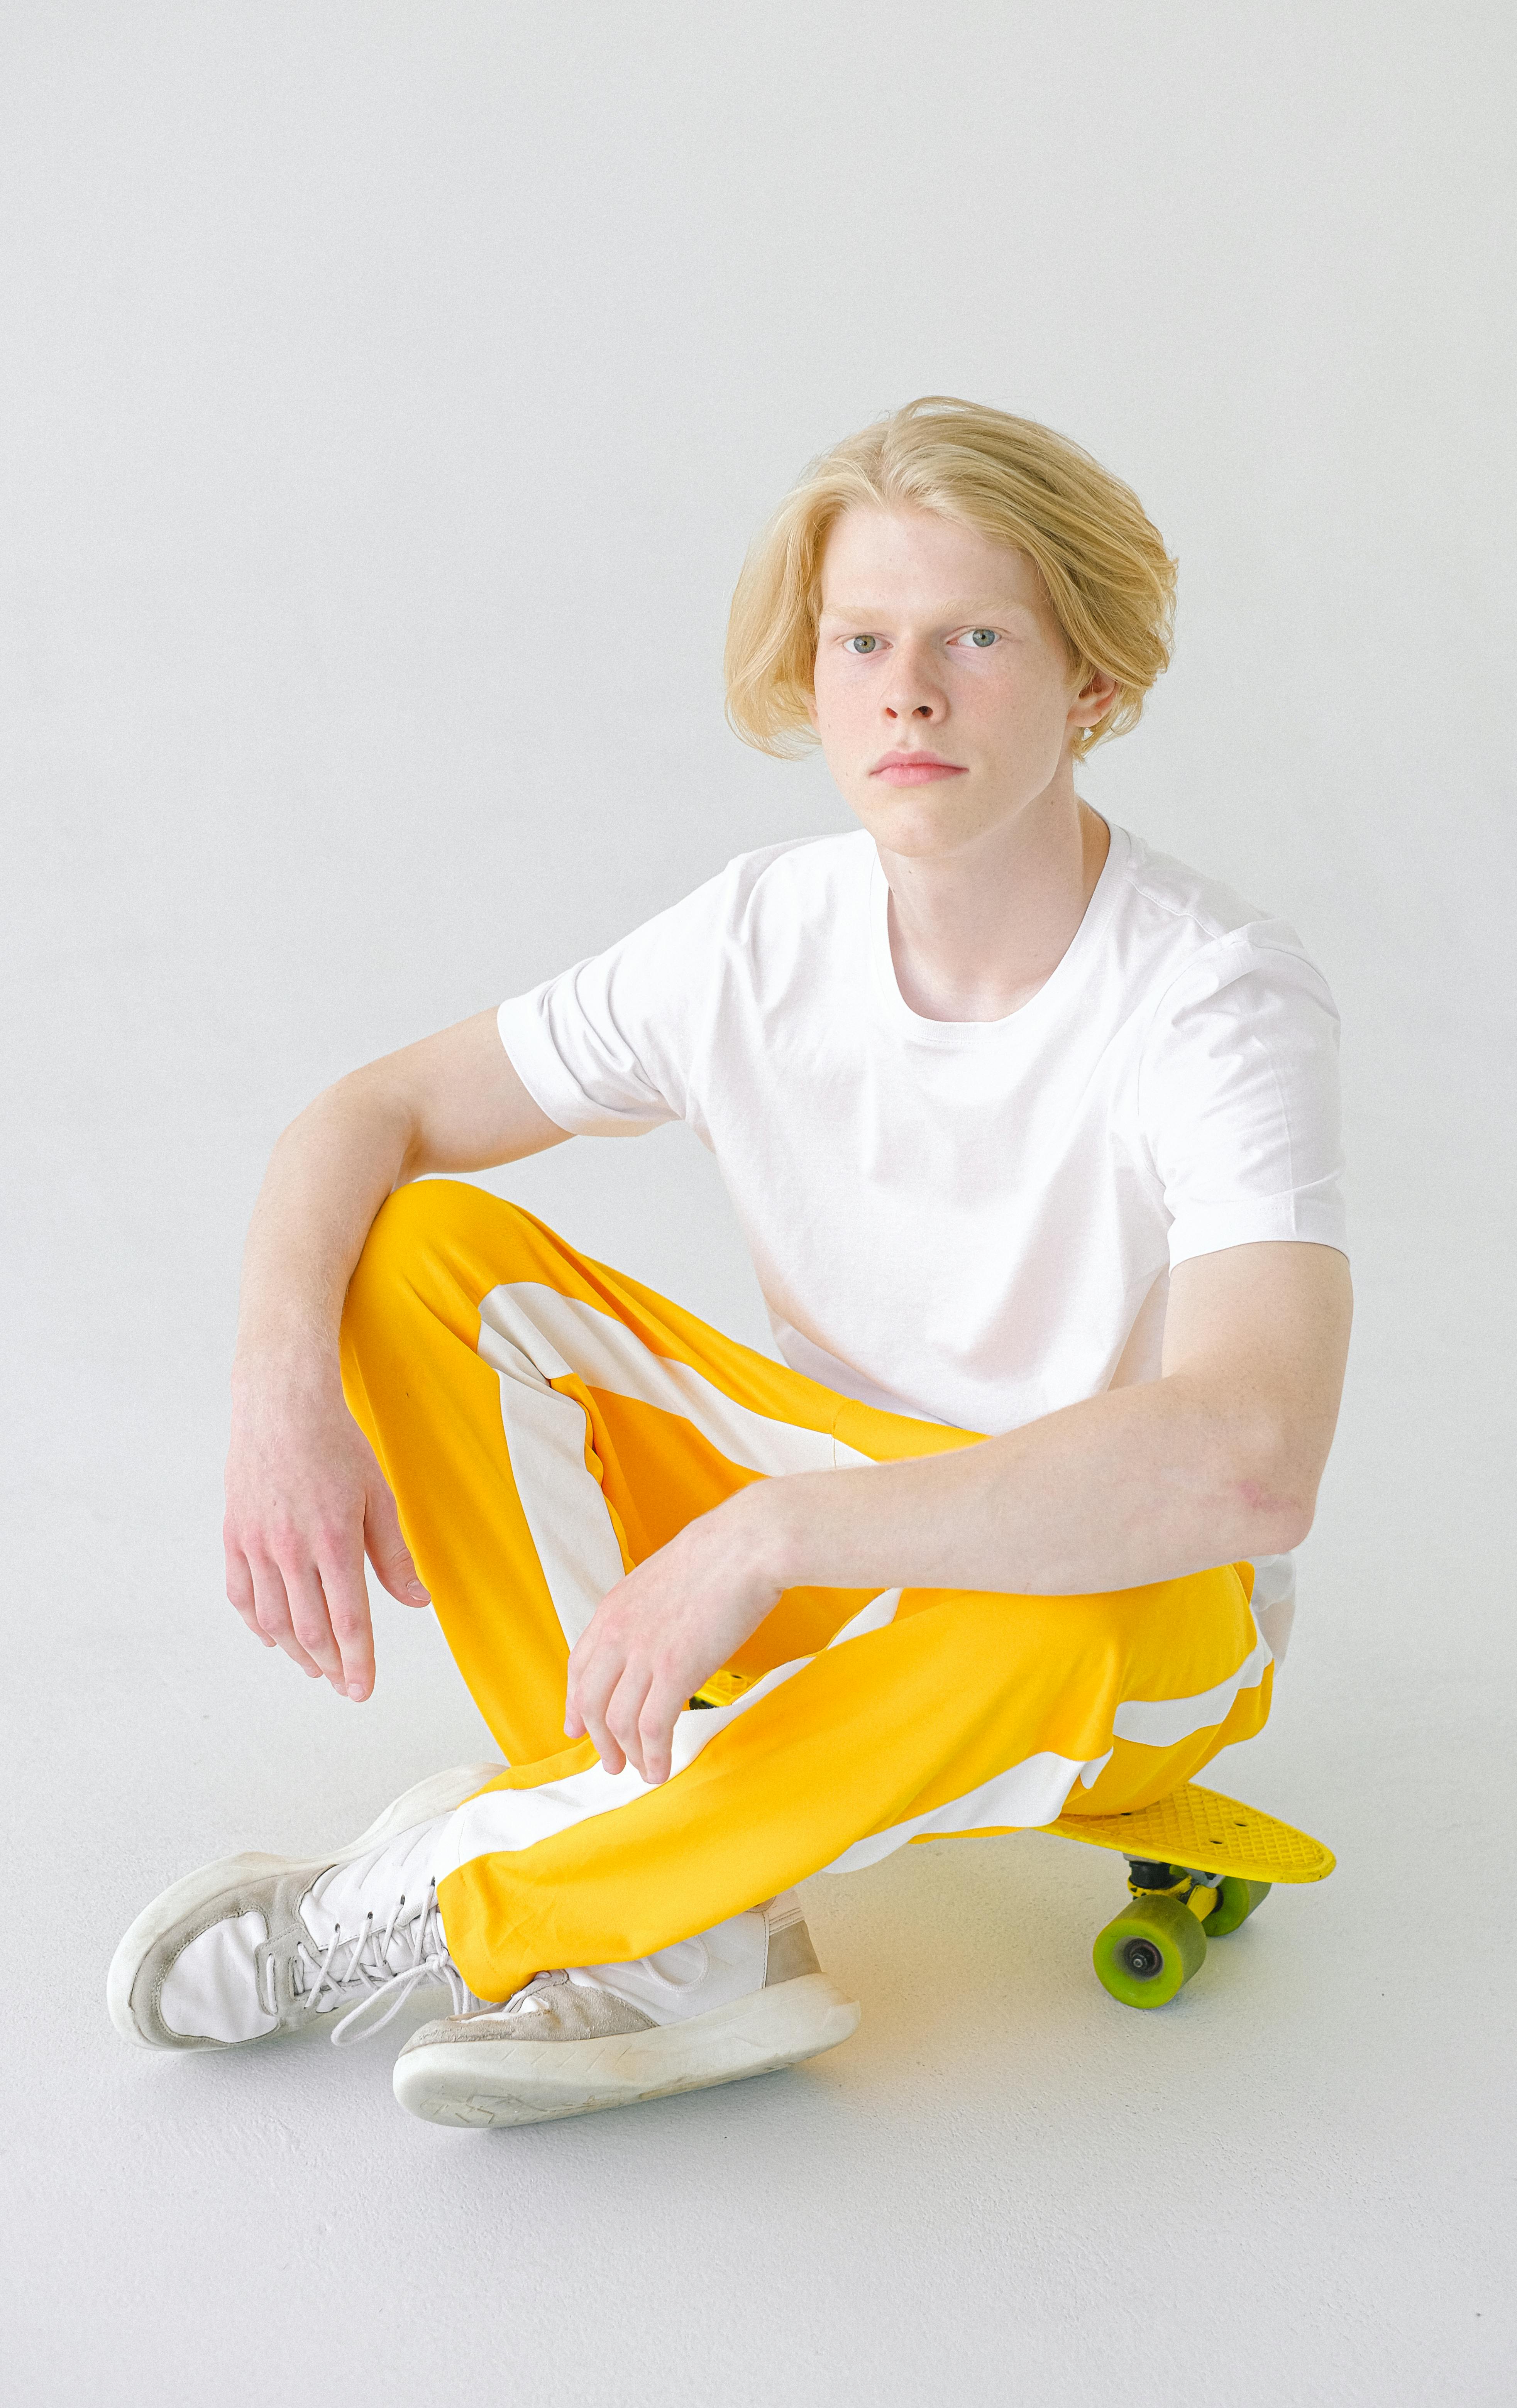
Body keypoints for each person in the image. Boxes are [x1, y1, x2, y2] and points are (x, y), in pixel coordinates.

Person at [107, 396, 1351, 2128]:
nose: (907, 691)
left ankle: (475, 1894)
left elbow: (1246, 1460)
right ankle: (694, 1937)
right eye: (863, 642)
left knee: (1060, 1618)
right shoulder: (758, 936)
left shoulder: (1212, 993)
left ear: (1091, 685)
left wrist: (768, 1533)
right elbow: (369, 1113)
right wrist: (279, 1400)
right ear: (818, 678)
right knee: (416, 1246)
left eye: (974, 638)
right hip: (824, 1528)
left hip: (1111, 1606)